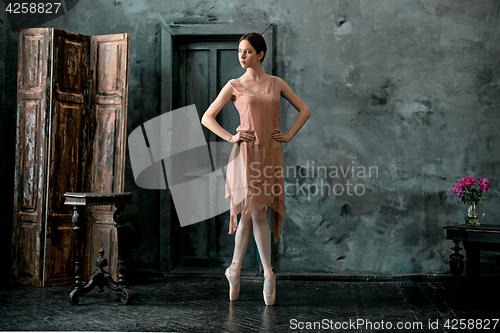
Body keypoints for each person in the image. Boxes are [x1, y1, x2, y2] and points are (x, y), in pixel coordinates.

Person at [201, 32, 310, 306]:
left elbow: (304, 110)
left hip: (271, 154)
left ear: (260, 54)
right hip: (245, 154)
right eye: (240, 51)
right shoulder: (234, 85)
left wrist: (288, 135)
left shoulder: (276, 83)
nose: (241, 55)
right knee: (256, 211)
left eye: (247, 51)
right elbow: (207, 117)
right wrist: (231, 136)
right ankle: (268, 273)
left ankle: (234, 268)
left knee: (251, 214)